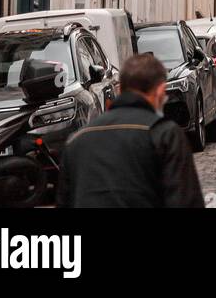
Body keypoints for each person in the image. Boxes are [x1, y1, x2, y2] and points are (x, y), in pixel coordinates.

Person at [57, 51, 205, 208]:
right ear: (160, 92)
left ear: (120, 90)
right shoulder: (164, 134)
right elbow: (185, 201)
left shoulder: (76, 141)